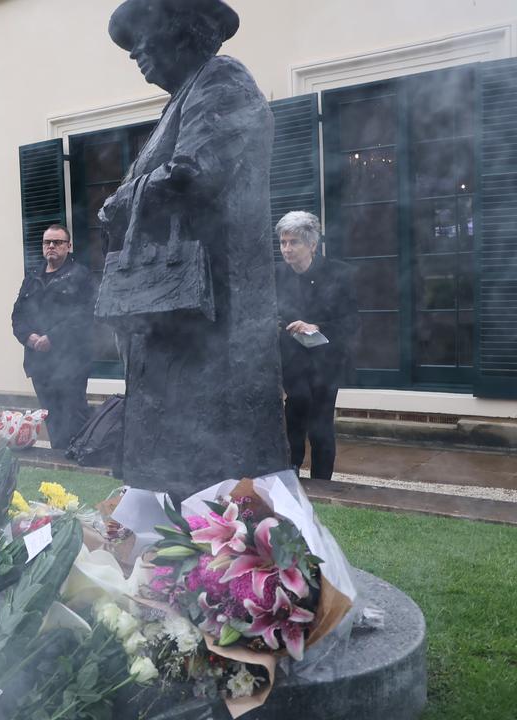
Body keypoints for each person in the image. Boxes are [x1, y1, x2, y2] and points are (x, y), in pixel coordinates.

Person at [95, 0, 289, 498]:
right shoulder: (184, 96)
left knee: (212, 457)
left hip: (213, 313)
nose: (135, 51)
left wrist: (121, 200)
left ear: (184, 30)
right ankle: (175, 547)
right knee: (175, 455)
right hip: (181, 315)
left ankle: (212, 548)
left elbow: (194, 174)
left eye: (144, 34)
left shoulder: (222, 79)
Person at [275, 211, 357, 481]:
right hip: (291, 361)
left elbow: (350, 321)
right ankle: (291, 474)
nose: (287, 249)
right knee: (296, 409)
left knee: (321, 424)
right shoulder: (275, 276)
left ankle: (323, 482)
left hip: (326, 361)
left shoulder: (339, 274)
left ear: (312, 244)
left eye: (293, 242)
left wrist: (317, 326)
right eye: (283, 242)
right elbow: (265, 314)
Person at [11, 224, 95, 450]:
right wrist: (29, 337)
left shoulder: (81, 276)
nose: (51, 246)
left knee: (74, 413)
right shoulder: (31, 278)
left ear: (69, 246)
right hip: (39, 363)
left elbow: (86, 315)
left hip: (71, 362)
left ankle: (79, 457)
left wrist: (52, 337)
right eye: (47, 242)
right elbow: (17, 315)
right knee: (52, 415)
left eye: (57, 242)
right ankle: (59, 453)